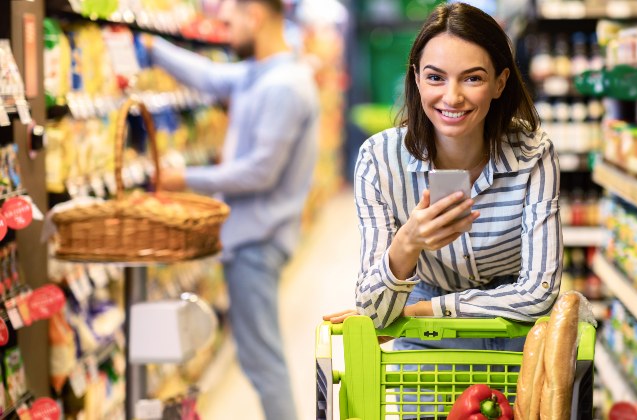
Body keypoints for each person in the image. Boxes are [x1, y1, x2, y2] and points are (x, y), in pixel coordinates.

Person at [326, 2, 560, 353]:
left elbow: (539, 293)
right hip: (424, 332)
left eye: (473, 78)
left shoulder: (533, 154)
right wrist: (408, 242)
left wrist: (427, 310)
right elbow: (373, 315)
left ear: (500, 83)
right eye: (436, 77)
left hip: (513, 327)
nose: (452, 97)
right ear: (417, 79)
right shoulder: (379, 161)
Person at [142, 0, 319, 418]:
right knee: (258, 357)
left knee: (262, 361)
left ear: (254, 16)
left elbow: (260, 172)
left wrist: (186, 178)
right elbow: (208, 76)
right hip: (248, 238)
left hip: (258, 242)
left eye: (230, 21)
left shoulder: (285, 86)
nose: (224, 30)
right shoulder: (260, 74)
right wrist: (151, 45)